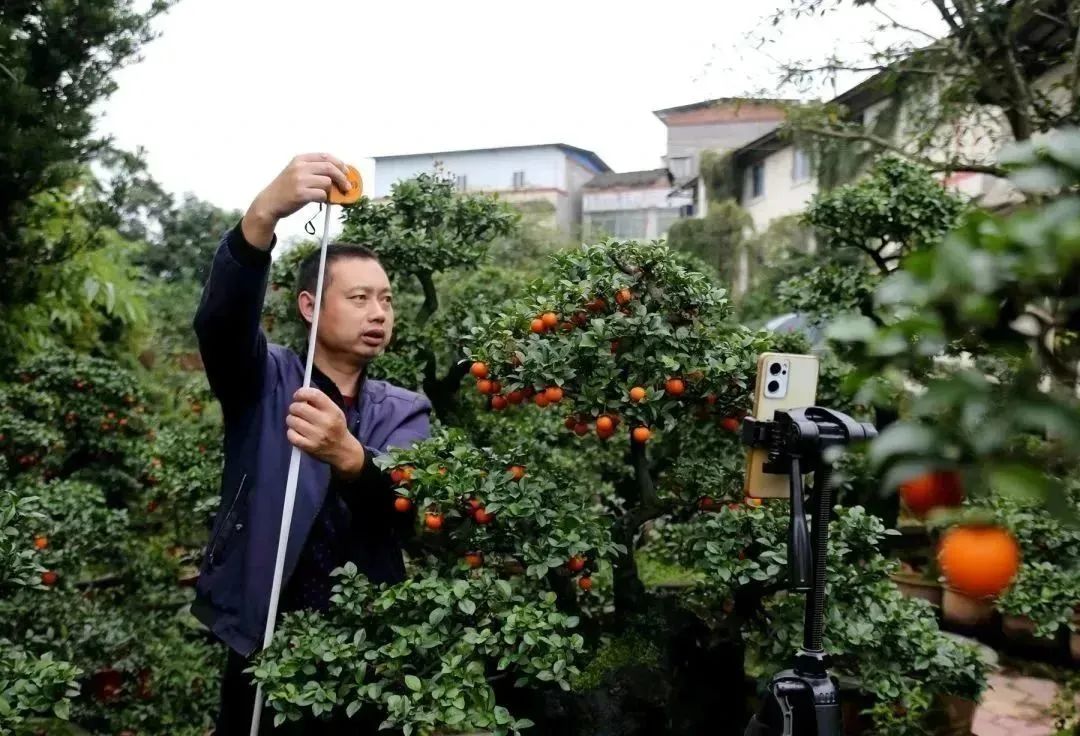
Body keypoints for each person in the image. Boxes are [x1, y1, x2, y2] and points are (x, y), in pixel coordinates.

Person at [191, 153, 432, 734]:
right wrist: (264, 214)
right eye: (359, 299)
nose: (378, 313)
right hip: (265, 632)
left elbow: (414, 507)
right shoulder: (266, 381)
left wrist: (351, 457)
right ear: (309, 306)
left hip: (367, 644)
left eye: (387, 299)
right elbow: (221, 325)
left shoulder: (404, 408)